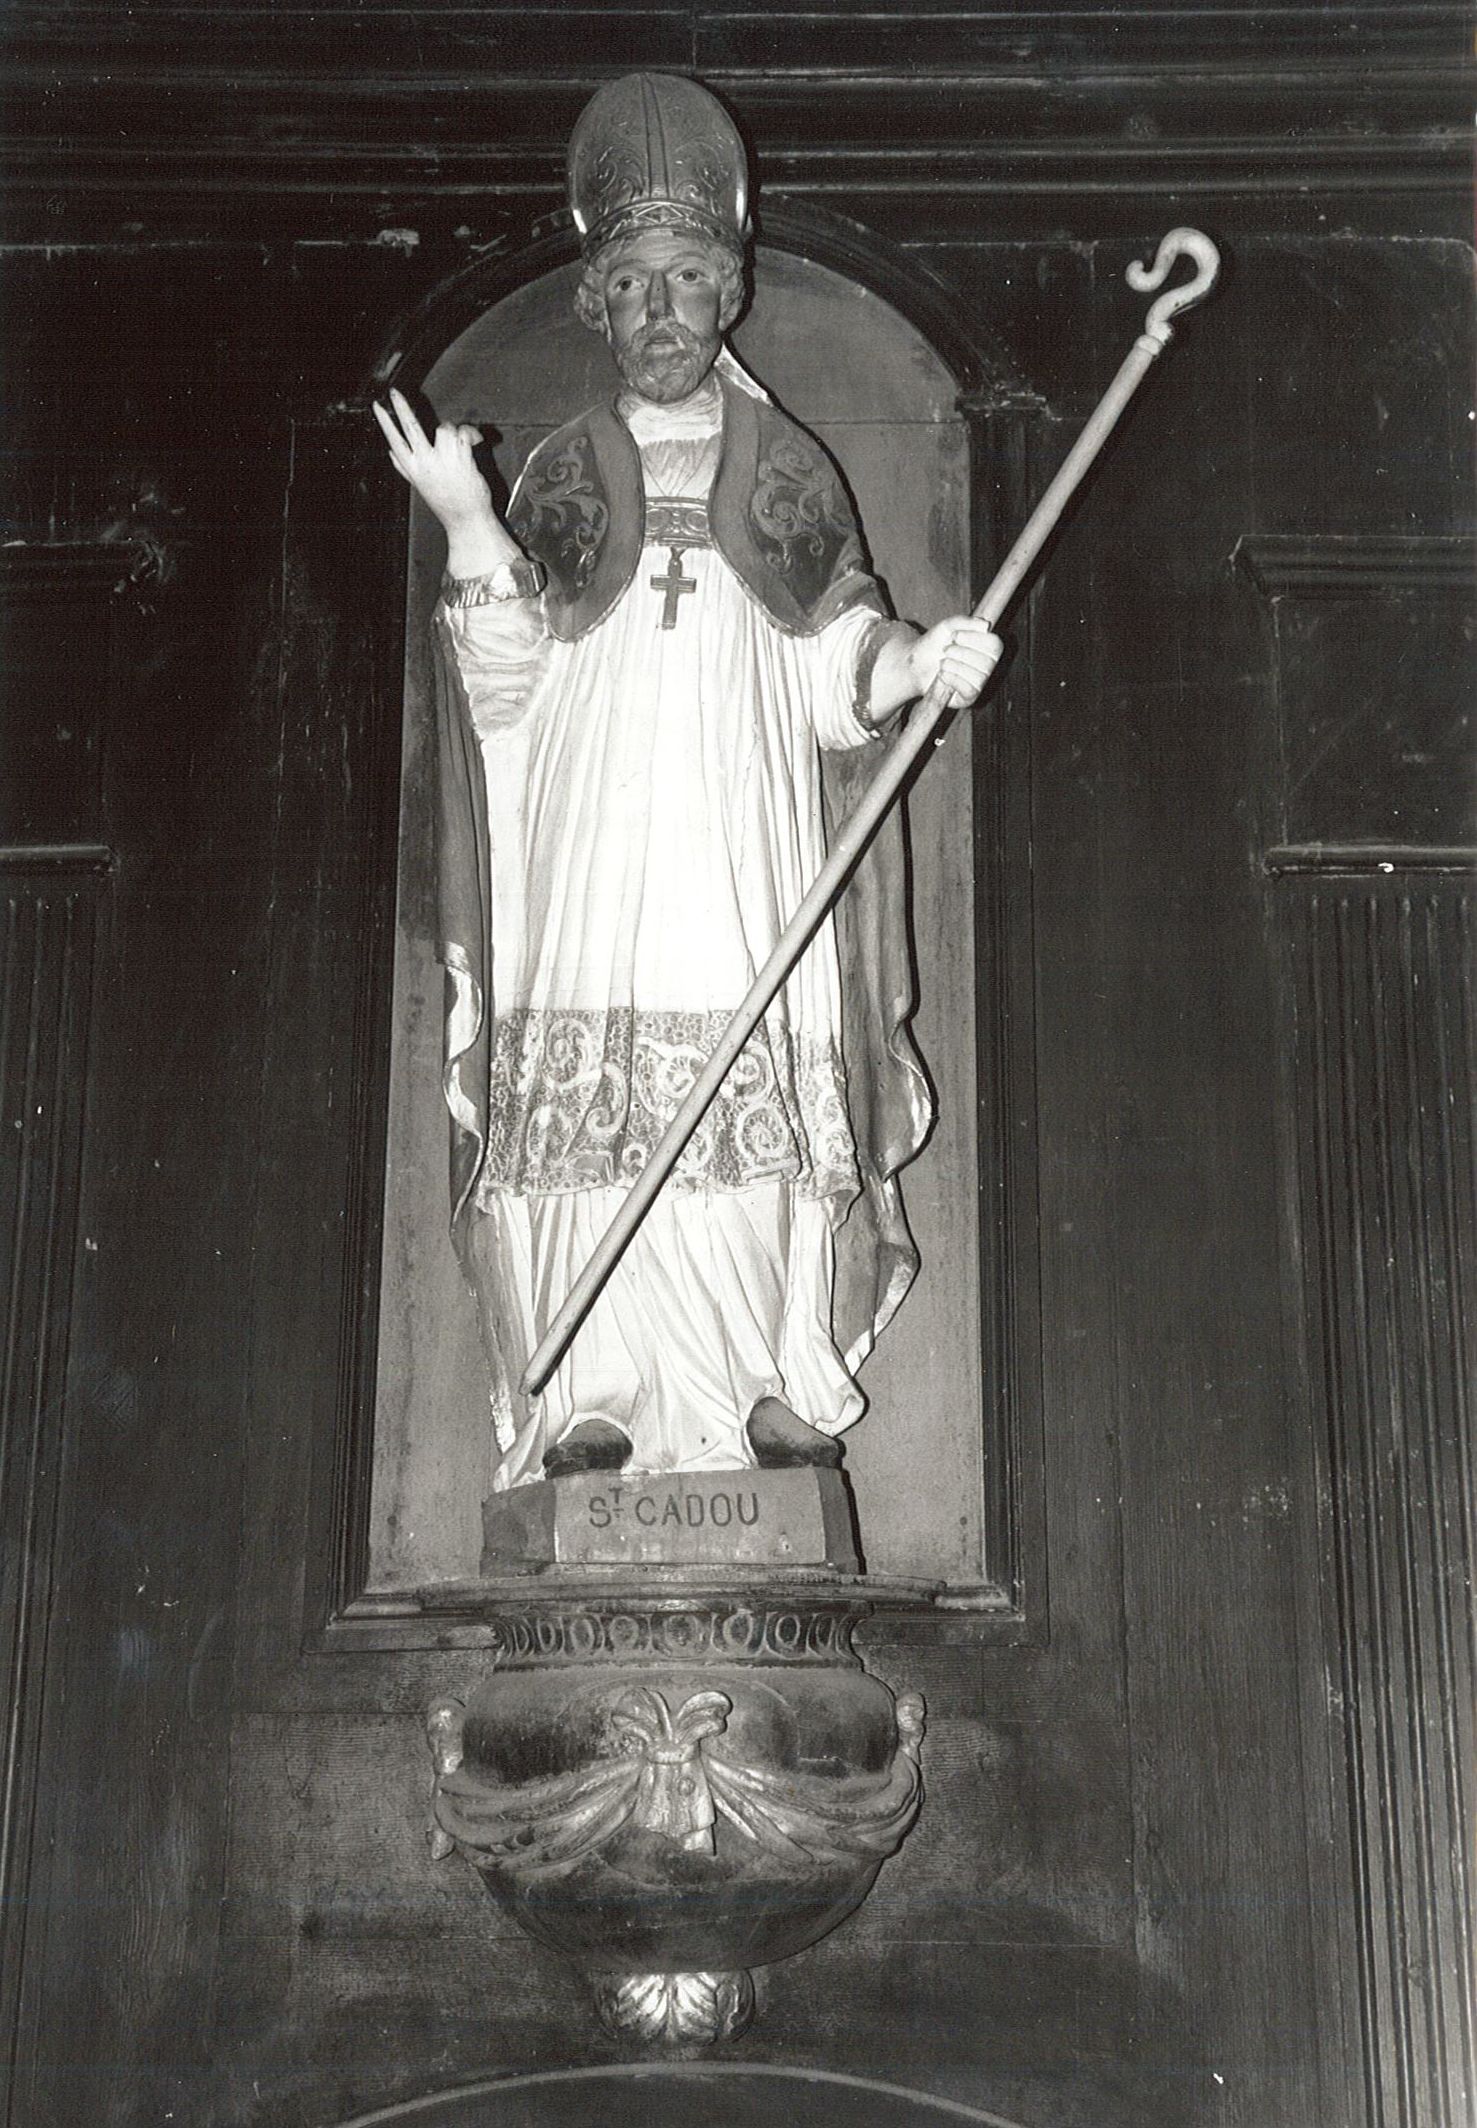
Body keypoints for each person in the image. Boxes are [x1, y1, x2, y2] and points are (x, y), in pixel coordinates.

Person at [374, 73, 1001, 1493]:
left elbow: (834, 652)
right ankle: (588, 1388)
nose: (662, 311)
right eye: (635, 286)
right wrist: (473, 528)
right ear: (600, 306)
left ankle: (759, 1380)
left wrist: (917, 662)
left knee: (751, 1058)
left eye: (688, 282)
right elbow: (506, 686)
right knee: (592, 1080)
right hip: (595, 831)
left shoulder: (786, 468)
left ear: (729, 297)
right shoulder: (556, 474)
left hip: (739, 825)